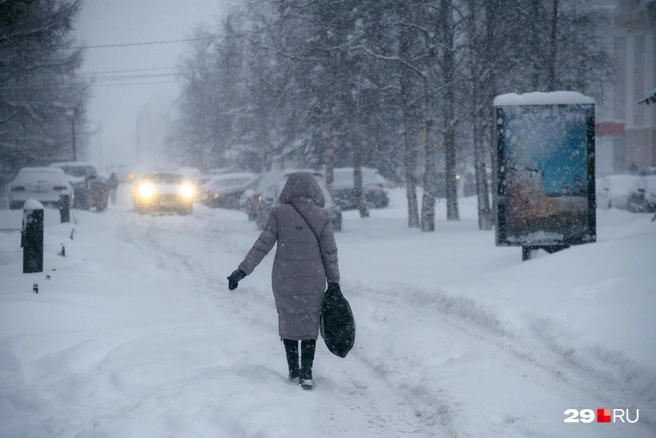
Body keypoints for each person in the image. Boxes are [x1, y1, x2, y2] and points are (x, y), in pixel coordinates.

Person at [227, 172, 340, 390]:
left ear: (288, 190)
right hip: (313, 278)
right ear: (314, 190)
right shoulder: (322, 215)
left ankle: (293, 372)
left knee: (288, 320)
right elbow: (330, 252)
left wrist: (241, 272)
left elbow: (262, 245)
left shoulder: (279, 213)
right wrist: (334, 281)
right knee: (309, 321)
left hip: (284, 277)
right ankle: (307, 373)